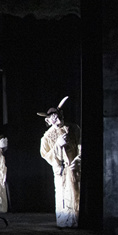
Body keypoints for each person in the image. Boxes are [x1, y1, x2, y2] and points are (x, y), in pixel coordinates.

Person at [38, 96, 81, 228]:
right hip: (61, 170)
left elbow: (81, 146)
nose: (56, 119)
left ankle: (76, 220)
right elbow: (46, 155)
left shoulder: (74, 129)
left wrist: (78, 161)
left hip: (74, 169)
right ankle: (64, 221)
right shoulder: (47, 137)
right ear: (48, 120)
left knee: (75, 193)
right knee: (62, 194)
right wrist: (57, 145)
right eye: (53, 118)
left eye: (58, 116)